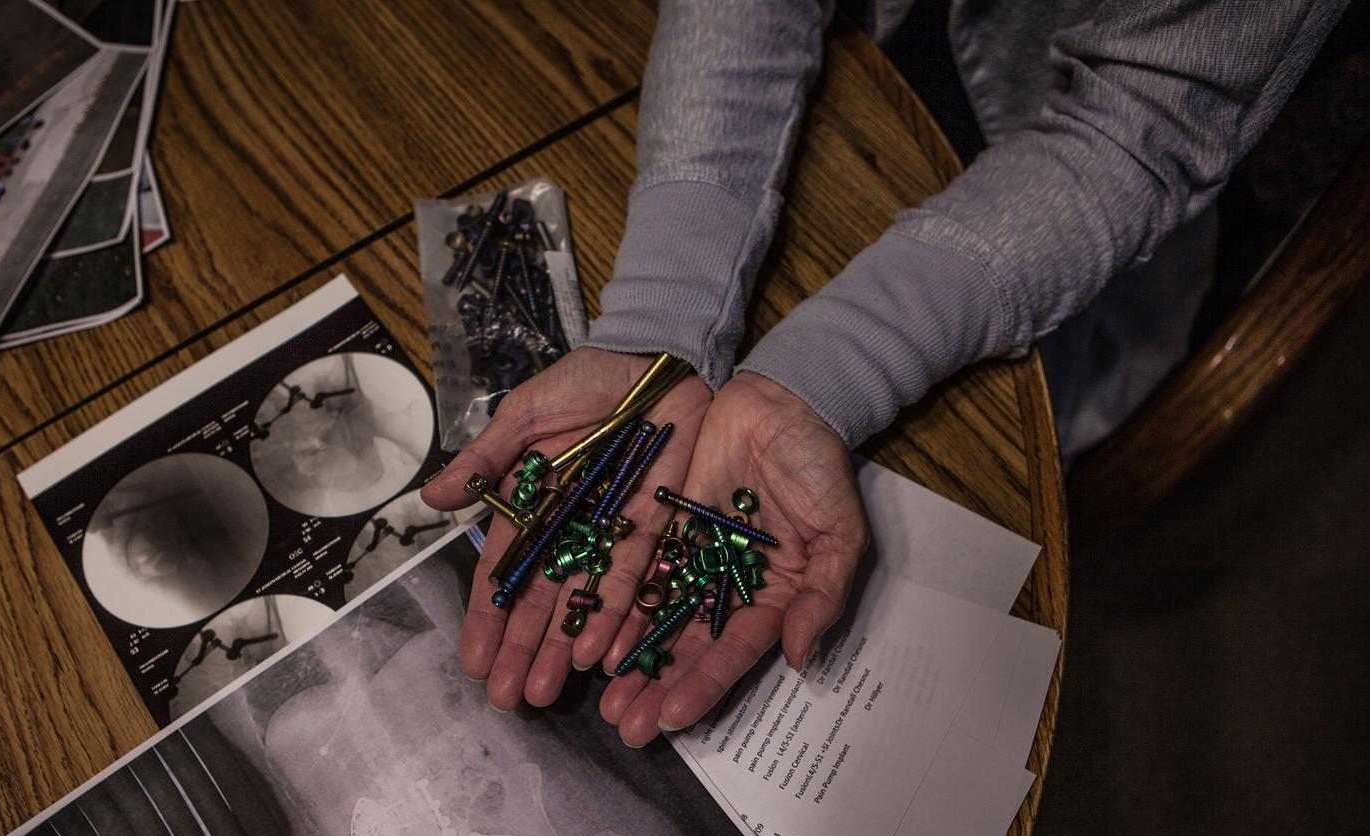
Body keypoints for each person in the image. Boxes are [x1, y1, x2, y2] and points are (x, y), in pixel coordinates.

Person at [423, 0, 1346, 748]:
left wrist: (825, 373)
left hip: (1052, 268)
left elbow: (1133, 136)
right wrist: (660, 320)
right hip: (872, 89)